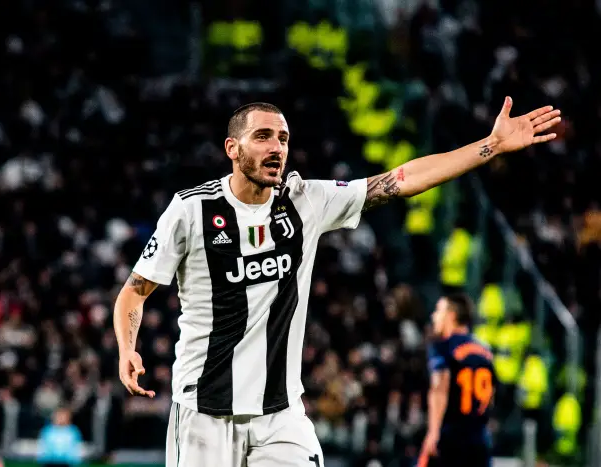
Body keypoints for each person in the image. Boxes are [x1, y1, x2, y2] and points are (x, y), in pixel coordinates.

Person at [113, 98, 559, 467]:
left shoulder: (307, 200)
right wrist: (127, 348)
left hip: (280, 416)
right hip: (204, 414)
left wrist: (489, 146)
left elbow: (402, 180)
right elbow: (135, 290)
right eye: (263, 136)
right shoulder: (191, 211)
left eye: (283, 138)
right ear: (232, 147)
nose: (277, 148)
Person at [418, 293, 496, 467]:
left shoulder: (443, 346)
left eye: (439, 311)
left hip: (451, 437)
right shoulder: (485, 351)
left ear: (451, 315)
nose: (434, 316)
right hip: (479, 438)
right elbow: (491, 396)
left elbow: (440, 387)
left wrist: (433, 431)